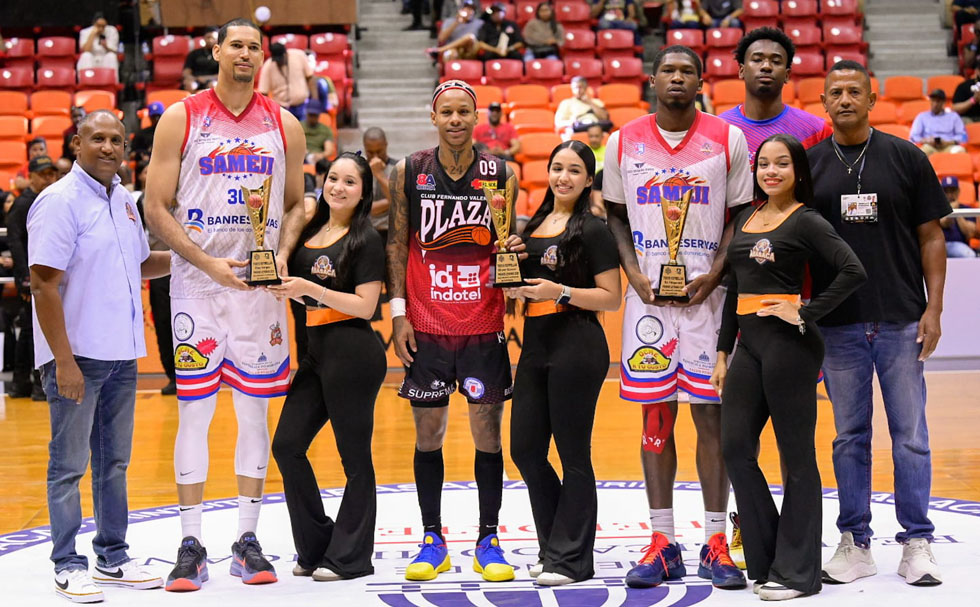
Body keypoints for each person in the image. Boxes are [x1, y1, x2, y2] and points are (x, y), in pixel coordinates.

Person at [143, 18, 307, 592]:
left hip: (259, 292)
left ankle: (246, 540)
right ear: (216, 51)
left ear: (263, 58)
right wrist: (204, 261)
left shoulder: (284, 124)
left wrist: (280, 253)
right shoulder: (181, 117)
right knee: (195, 412)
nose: (245, 53)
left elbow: (296, 204)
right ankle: (190, 544)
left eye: (254, 47)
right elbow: (155, 206)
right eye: (235, 44)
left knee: (254, 412)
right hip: (197, 288)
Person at [603, 45, 752, 590]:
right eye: (668, 69)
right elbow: (615, 217)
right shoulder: (622, 141)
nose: (677, 78)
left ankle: (716, 541)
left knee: (712, 419)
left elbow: (741, 215)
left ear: (701, 82)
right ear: (651, 79)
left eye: (688, 71)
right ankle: (662, 541)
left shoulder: (727, 138)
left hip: (709, 300)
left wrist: (716, 271)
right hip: (648, 302)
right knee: (656, 421)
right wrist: (633, 274)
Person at [808, 60, 949, 587]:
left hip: (900, 318)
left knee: (910, 436)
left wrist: (933, 308)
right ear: (824, 102)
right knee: (849, 437)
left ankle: (917, 542)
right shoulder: (810, 165)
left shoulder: (907, 157)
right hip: (837, 323)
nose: (844, 99)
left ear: (871, 100)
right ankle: (856, 542)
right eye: (835, 92)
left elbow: (932, 236)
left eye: (854, 92)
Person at [711, 134, 866, 601]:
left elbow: (853, 270)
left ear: (798, 171)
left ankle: (798, 573)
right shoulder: (746, 216)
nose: (771, 171)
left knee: (796, 458)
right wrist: (722, 353)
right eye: (764, 163)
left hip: (790, 346)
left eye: (781, 163)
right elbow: (735, 288)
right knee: (735, 448)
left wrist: (805, 311)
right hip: (748, 345)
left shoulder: (807, 220)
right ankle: (768, 559)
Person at [29, 110, 170, 603]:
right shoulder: (58, 202)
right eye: (98, 139)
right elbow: (43, 284)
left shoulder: (125, 201)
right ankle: (67, 564)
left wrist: (195, 260)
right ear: (77, 143)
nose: (108, 147)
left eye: (116, 140)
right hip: (78, 358)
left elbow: (141, 263)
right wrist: (63, 361)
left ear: (126, 147)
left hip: (121, 357)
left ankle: (112, 556)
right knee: (69, 466)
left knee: (113, 463)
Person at [386, 79, 523, 583]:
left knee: (487, 433)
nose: (456, 120)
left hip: (483, 324)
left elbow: (507, 241)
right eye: (447, 112)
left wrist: (513, 257)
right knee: (429, 434)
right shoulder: (409, 171)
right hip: (426, 324)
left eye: (464, 111)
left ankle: (489, 538)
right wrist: (398, 312)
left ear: (476, 117)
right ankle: (432, 538)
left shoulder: (501, 174)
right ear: (434, 117)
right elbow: (397, 243)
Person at [507, 141, 622, 586]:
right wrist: (511, 274)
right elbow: (526, 285)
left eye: (575, 170)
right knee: (525, 450)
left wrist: (561, 292)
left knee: (573, 455)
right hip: (536, 345)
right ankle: (555, 544)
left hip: (578, 344)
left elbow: (611, 298)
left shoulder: (593, 229)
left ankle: (571, 559)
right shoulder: (533, 225)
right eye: (557, 167)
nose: (563, 177)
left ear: (589, 179)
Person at [270, 153, 387, 582]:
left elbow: (365, 306)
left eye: (350, 182)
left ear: (363, 192)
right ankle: (318, 545)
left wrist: (309, 288)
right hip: (315, 352)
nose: (338, 187)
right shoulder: (313, 230)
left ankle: (350, 557)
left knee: (354, 459)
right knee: (286, 445)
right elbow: (309, 291)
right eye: (333, 178)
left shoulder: (366, 239)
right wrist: (288, 288)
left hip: (353, 354)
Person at [721, 28, 833, 164]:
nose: (766, 66)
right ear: (741, 71)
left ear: (787, 75)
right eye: (757, 60)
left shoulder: (816, 131)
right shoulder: (720, 129)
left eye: (776, 61)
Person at [6, 154, 59, 401]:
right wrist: (24, 278)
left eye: (52, 174)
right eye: (43, 174)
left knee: (31, 329)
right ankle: (28, 383)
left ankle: (25, 384)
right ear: (31, 177)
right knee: (31, 329)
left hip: (42, 275)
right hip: (31, 277)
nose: (49, 178)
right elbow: (15, 242)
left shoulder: (50, 199)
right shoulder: (24, 203)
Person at [258, 42, 316, 120]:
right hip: (282, 109)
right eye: (276, 60)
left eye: (280, 58)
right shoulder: (268, 66)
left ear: (285, 54)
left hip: (302, 105)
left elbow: (310, 77)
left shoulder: (299, 55)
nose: (279, 61)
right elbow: (263, 93)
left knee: (304, 127)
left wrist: (315, 100)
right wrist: (267, 112)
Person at [364, 127, 397, 244]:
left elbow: (401, 203)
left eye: (379, 151)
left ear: (386, 145)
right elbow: (363, 208)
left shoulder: (399, 168)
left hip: (392, 233)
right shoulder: (359, 170)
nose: (375, 157)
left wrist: (379, 174)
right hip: (366, 233)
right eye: (370, 152)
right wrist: (391, 201)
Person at [910, 89, 968, 155]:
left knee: (960, 151)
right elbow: (914, 136)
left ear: (943, 102)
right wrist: (926, 140)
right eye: (933, 100)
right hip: (930, 146)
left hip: (949, 146)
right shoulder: (922, 117)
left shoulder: (953, 116)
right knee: (921, 152)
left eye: (938, 101)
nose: (935, 104)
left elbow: (963, 136)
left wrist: (949, 142)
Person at [938, 176, 978, 257]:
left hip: (959, 245)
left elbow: (970, 233)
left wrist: (957, 212)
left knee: (969, 255)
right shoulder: (936, 208)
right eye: (946, 191)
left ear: (958, 191)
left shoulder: (966, 209)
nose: (949, 195)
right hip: (939, 245)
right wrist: (951, 211)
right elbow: (944, 223)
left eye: (952, 191)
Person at [182, 27, 219, 91]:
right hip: (195, 79)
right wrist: (193, 78)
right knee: (190, 85)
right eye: (208, 37)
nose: (210, 40)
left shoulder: (221, 55)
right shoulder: (194, 53)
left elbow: (223, 74)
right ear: (204, 38)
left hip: (212, 80)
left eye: (213, 38)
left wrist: (206, 78)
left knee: (213, 85)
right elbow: (186, 72)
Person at [952, 56, 980, 123]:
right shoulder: (964, 86)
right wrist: (974, 100)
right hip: (968, 118)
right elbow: (955, 108)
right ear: (976, 71)